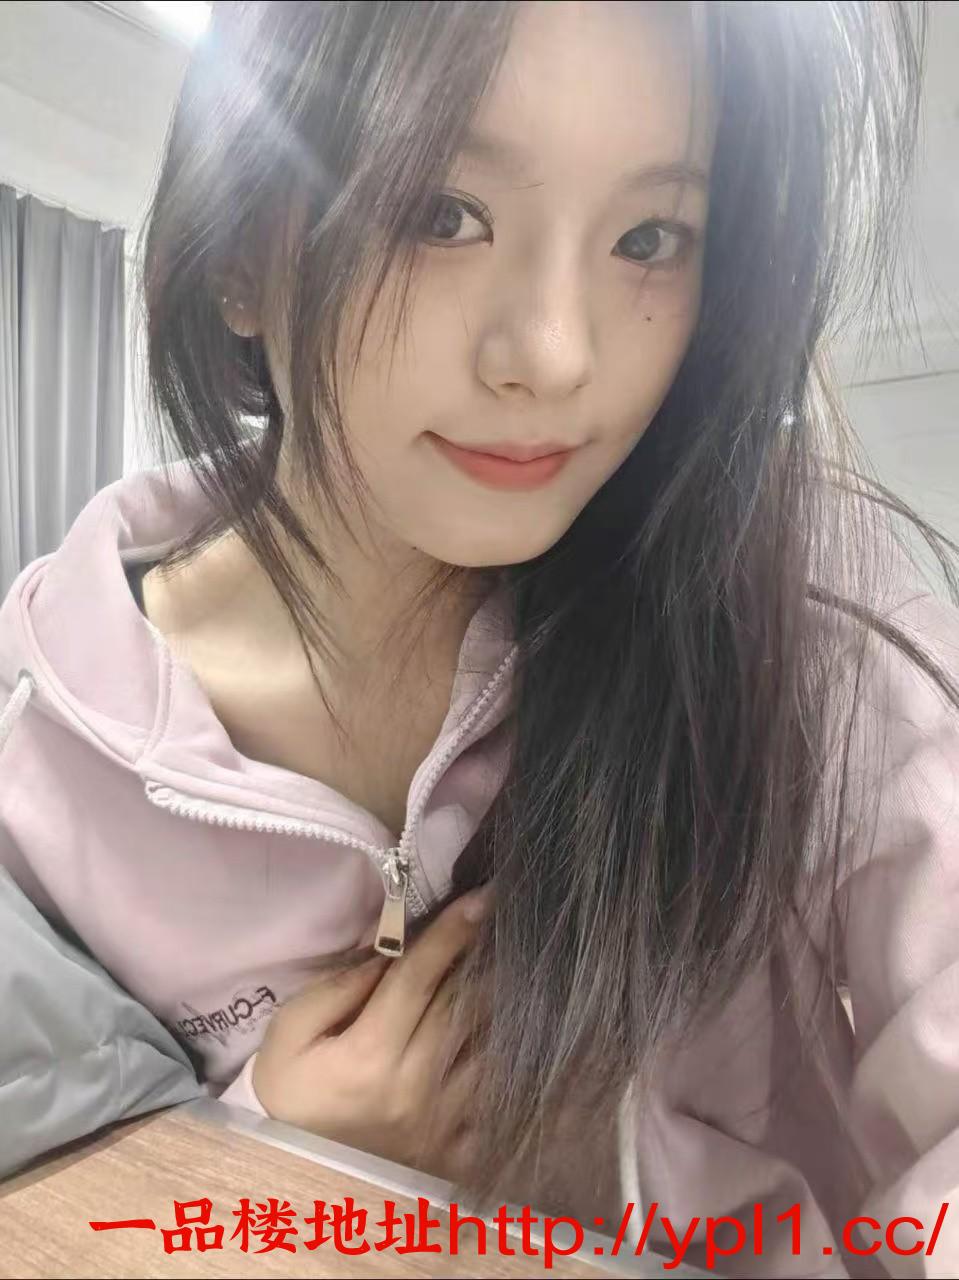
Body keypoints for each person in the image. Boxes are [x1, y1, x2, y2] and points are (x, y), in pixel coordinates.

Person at [1, 1, 957, 1274]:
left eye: (647, 238)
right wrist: (274, 1149)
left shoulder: (788, 597)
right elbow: (69, 1201)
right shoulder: (49, 744)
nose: (553, 355)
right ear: (240, 254)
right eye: (440, 213)